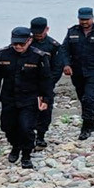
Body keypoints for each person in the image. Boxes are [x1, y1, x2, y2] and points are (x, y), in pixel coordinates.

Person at [0, 26, 51, 168]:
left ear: (29, 41)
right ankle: (15, 146)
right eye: (15, 43)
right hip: (9, 97)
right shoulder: (4, 54)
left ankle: (26, 155)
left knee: (26, 128)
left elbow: (45, 80)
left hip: (29, 98)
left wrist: (45, 99)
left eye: (21, 44)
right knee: (7, 126)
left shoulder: (39, 56)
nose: (18, 46)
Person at [59, 7, 94, 140]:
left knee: (89, 98)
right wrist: (66, 64)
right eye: (81, 19)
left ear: (92, 18)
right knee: (82, 98)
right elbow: (64, 50)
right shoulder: (72, 31)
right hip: (76, 71)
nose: (84, 22)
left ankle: (86, 126)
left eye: (87, 19)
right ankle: (90, 120)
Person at [28, 16, 62, 149]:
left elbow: (57, 68)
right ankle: (28, 135)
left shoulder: (53, 46)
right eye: (35, 33)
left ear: (47, 29)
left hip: (46, 83)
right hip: (28, 83)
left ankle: (41, 136)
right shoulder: (26, 42)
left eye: (40, 33)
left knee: (45, 111)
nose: (38, 36)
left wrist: (48, 84)